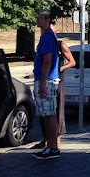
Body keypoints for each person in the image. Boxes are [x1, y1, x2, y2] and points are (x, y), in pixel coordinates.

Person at [32, 10, 61, 159]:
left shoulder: (47, 38)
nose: (37, 20)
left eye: (40, 18)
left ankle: (53, 148)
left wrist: (42, 82)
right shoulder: (48, 37)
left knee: (49, 115)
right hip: (48, 79)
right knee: (47, 115)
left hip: (47, 80)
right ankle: (50, 147)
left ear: (47, 20)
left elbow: (47, 61)